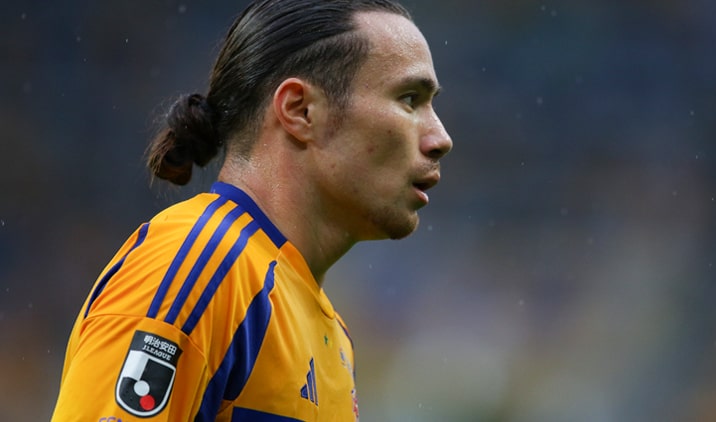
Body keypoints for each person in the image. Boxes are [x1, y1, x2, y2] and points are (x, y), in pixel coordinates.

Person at [51, 0, 452, 420]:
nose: (441, 138)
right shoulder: (202, 264)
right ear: (300, 110)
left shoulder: (334, 336)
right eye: (410, 99)